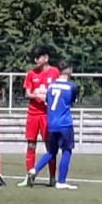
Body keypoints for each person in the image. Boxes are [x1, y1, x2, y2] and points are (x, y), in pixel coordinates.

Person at [24, 63, 80, 190]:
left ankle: (34, 170)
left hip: (51, 123)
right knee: (67, 150)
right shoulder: (71, 86)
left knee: (51, 151)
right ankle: (61, 181)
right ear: (69, 70)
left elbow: (48, 101)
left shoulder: (51, 86)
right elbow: (72, 101)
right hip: (65, 123)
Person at [23, 45, 61, 186]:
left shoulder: (55, 72)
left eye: (37, 58)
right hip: (33, 114)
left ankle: (52, 177)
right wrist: (37, 95)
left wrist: (49, 98)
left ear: (46, 58)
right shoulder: (31, 74)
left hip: (48, 115)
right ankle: (29, 177)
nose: (35, 61)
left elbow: (59, 90)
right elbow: (27, 93)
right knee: (31, 145)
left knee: (50, 147)